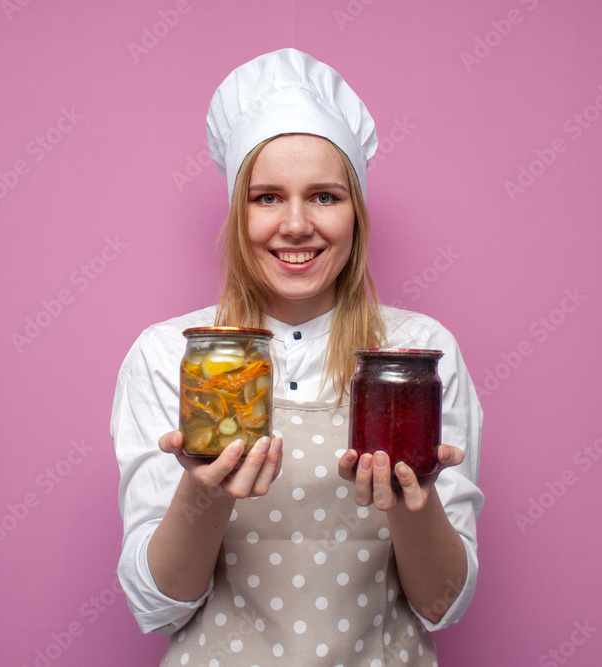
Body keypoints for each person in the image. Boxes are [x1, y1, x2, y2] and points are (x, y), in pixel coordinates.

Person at [111, 48, 483, 666]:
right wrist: (205, 495)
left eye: (325, 197)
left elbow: (442, 605)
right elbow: (158, 607)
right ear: (238, 213)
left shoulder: (419, 356)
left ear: (356, 214)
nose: (295, 224)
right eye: (266, 198)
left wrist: (416, 505)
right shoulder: (173, 356)